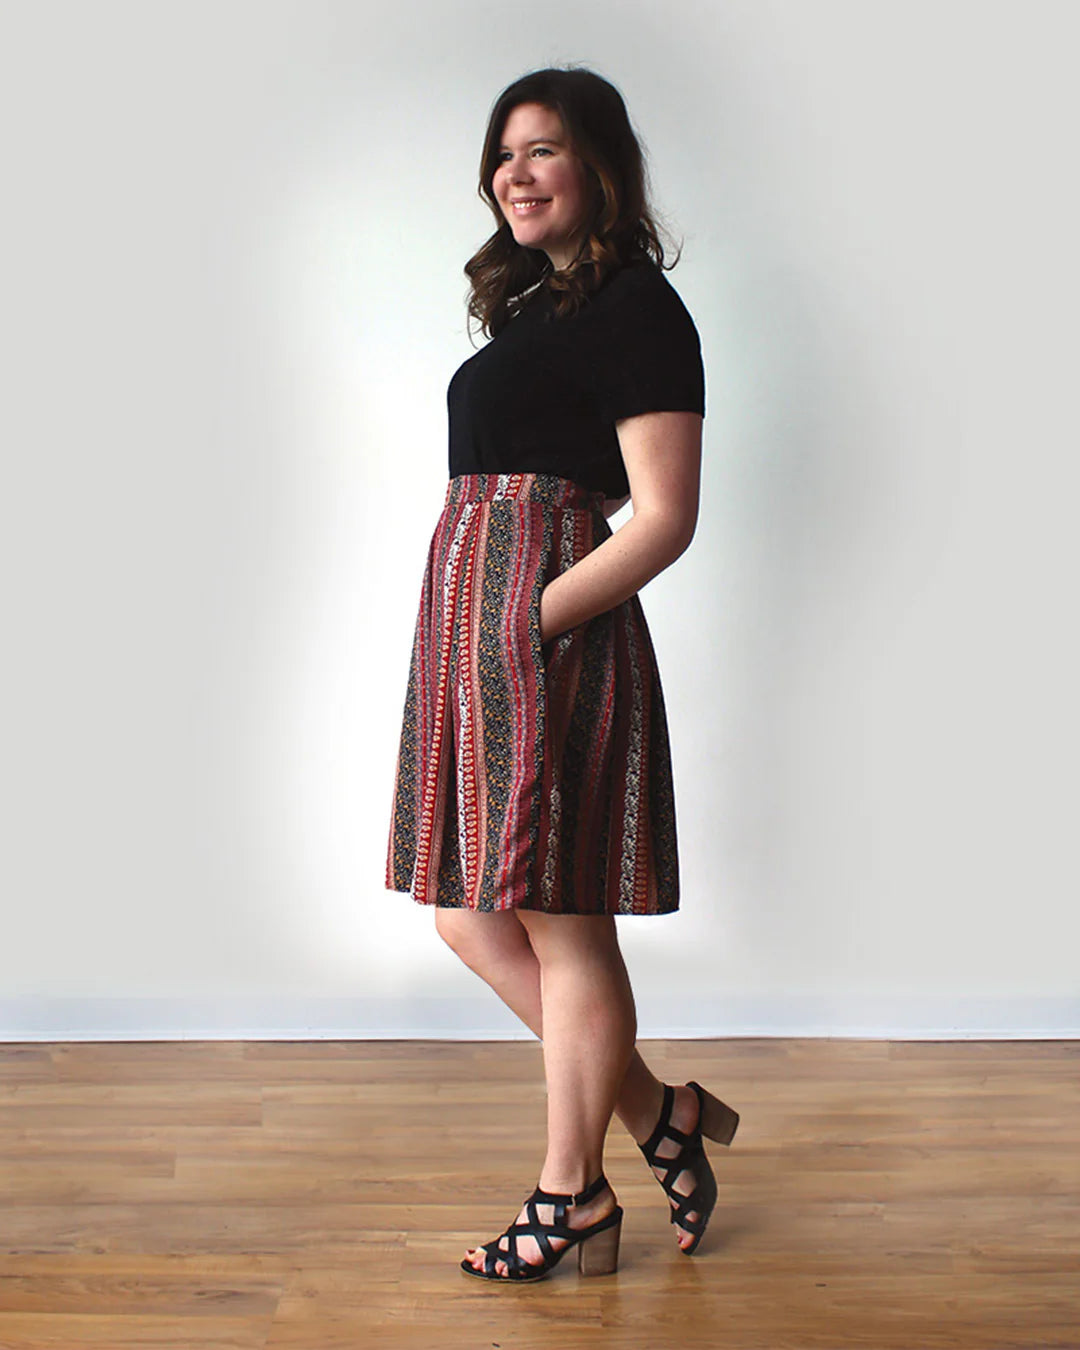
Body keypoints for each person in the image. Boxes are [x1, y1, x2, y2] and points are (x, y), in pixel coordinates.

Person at [384, 65, 739, 1283]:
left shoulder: (642, 309)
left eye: (543, 150)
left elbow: (664, 517)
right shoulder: (533, 307)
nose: (515, 174)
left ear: (599, 168)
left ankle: (570, 1197)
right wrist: (478, 627)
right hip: (480, 637)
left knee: (561, 926)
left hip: (550, 640)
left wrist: (526, 621)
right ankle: (660, 1117)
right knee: (467, 910)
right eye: (503, 155)